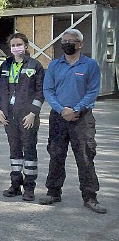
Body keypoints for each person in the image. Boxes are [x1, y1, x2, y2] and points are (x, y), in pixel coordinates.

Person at [39, 29, 106, 213]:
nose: (67, 43)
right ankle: (53, 192)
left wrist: (76, 109)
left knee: (85, 158)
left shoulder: (90, 65)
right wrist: (62, 110)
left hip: (82, 118)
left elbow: (93, 91)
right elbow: (48, 91)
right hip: (59, 118)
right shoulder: (54, 65)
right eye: (64, 40)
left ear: (80, 44)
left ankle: (90, 197)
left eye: (71, 40)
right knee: (56, 155)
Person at [0, 33, 45, 201]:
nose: (16, 48)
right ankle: (15, 185)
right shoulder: (5, 65)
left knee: (29, 151)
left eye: (19, 44)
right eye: (13, 45)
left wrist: (33, 113)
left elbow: (40, 91)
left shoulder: (35, 65)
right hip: (9, 116)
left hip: (27, 116)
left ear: (26, 46)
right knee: (14, 151)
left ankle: (29, 188)